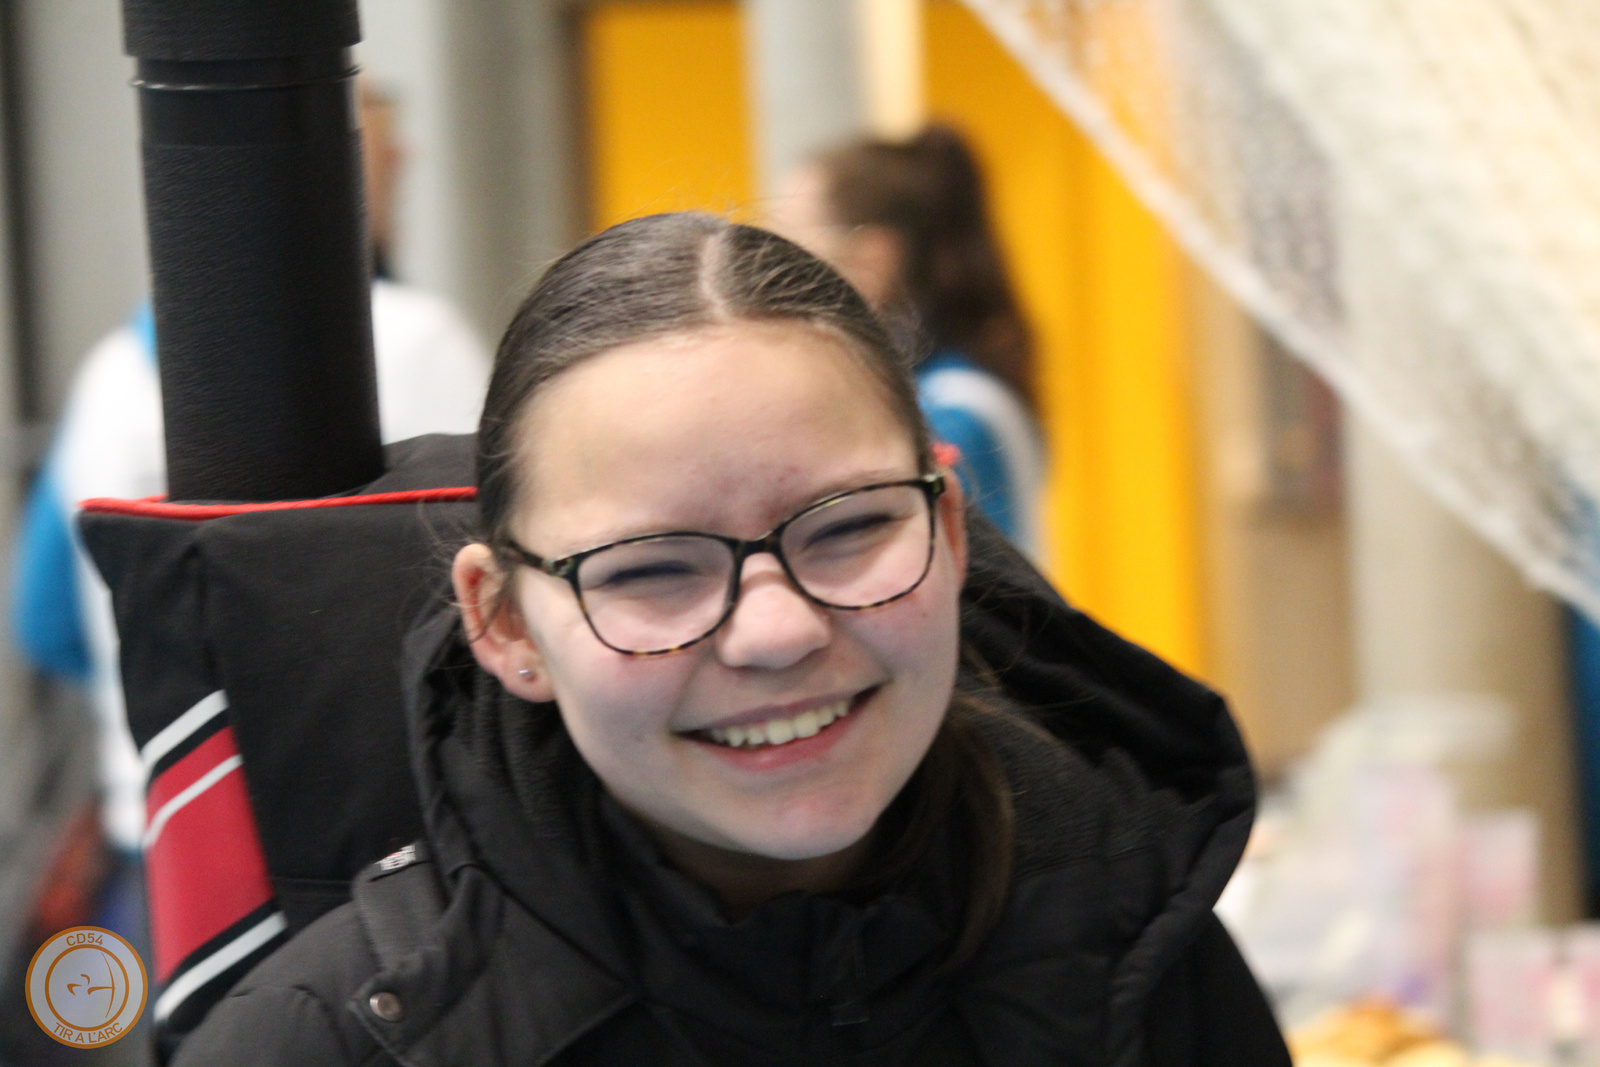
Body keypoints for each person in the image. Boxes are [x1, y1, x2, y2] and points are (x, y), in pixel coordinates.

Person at [171, 213, 1287, 1066]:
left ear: (948, 534)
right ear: (504, 621)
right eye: (652, 568)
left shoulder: (1139, 951)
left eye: (847, 528)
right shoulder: (327, 1042)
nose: (777, 630)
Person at [9, 82, 490, 870]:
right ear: (338, 172)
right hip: (382, 837)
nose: (407, 164)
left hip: (170, 827)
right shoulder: (415, 340)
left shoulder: (106, 374)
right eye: (388, 152)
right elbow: (502, 556)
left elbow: (46, 621)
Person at [769, 125, 1044, 556]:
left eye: (796, 250)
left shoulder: (953, 411)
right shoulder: (921, 397)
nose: (772, 279)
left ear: (870, 256)